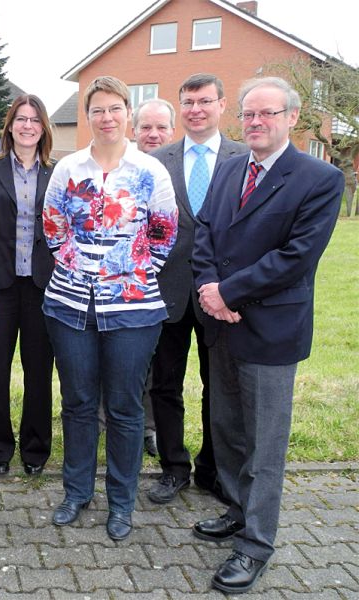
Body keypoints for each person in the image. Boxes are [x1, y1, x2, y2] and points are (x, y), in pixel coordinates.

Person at [192, 76, 342, 593]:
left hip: (271, 331)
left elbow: (296, 256)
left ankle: (256, 546)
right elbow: (206, 231)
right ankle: (236, 510)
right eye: (249, 115)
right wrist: (210, 289)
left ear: (292, 118)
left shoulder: (319, 178)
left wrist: (227, 292)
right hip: (222, 327)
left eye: (267, 114)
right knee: (229, 430)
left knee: (266, 444)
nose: (256, 123)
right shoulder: (230, 168)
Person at [42, 76, 177, 539]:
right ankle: (77, 492)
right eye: (97, 110)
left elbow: (164, 231)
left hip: (134, 308)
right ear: (88, 116)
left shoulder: (150, 171)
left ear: (128, 113)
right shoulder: (69, 168)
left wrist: (129, 272)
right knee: (78, 404)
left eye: (115, 109)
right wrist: (82, 269)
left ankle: (121, 502)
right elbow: (54, 225)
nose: (107, 118)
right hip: (70, 304)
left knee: (124, 408)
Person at [147, 74, 247, 505]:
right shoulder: (158, 159)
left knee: (219, 387)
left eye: (205, 101)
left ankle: (214, 468)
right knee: (164, 385)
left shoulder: (244, 157)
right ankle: (173, 468)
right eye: (188, 102)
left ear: (222, 105)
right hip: (166, 291)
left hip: (222, 295)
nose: (195, 109)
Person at [0, 94, 56, 477]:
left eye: (34, 120)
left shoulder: (58, 172)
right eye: (20, 119)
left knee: (39, 370)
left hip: (43, 285)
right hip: (0, 287)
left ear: (44, 128)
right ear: (9, 126)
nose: (27, 126)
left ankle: (36, 449)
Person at [129, 96, 177, 457]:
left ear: (172, 131)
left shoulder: (178, 166)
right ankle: (107, 419)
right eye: (146, 126)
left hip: (172, 280)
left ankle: (149, 427)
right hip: (123, 282)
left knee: (158, 365)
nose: (153, 134)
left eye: (161, 127)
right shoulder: (121, 165)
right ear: (135, 130)